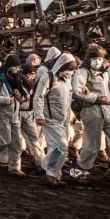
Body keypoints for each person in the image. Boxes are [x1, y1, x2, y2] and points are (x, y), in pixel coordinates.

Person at [70, 43, 110, 182]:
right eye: (95, 59)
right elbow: (77, 90)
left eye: (100, 59)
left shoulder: (104, 73)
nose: (98, 61)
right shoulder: (83, 72)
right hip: (92, 110)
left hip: (107, 110)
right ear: (89, 59)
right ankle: (81, 170)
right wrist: (94, 97)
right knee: (92, 145)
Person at [36, 53, 76, 186]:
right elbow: (39, 97)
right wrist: (39, 116)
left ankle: (55, 172)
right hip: (50, 119)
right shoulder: (48, 77)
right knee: (61, 145)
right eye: (69, 68)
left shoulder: (67, 80)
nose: (70, 72)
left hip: (63, 119)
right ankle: (51, 173)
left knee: (60, 147)